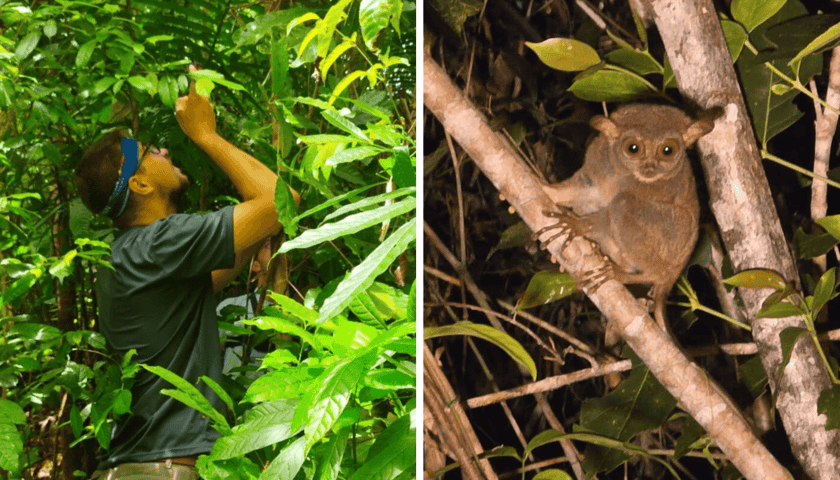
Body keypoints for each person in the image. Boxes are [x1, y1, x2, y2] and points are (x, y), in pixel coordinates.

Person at [74, 65, 282, 479]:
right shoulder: (161, 242)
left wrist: (252, 234)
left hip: (134, 465)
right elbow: (281, 202)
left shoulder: (125, 254)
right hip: (161, 470)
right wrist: (206, 135)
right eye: (150, 153)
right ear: (140, 186)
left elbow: (217, 275)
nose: (164, 152)